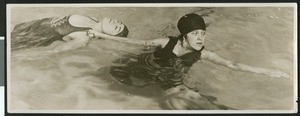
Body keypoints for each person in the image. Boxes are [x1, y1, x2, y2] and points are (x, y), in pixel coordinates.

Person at [88, 13, 290, 109]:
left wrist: (266, 72)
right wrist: (102, 37)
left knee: (188, 99)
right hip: (143, 71)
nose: (201, 38)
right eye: (195, 34)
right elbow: (135, 43)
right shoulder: (166, 43)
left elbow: (232, 65)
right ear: (184, 37)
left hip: (170, 82)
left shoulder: (202, 52)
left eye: (203, 33)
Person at [11, 14, 129, 53]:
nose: (117, 23)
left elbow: (54, 51)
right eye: (120, 23)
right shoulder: (93, 19)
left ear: (109, 36)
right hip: (34, 24)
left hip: (32, 37)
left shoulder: (84, 38)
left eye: (117, 28)